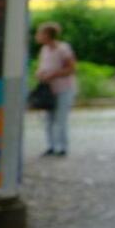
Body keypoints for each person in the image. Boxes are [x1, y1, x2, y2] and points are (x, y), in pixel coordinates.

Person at [36, 21, 77, 156]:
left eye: (40, 33)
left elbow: (71, 68)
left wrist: (54, 74)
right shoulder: (44, 50)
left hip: (63, 87)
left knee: (61, 118)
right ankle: (51, 145)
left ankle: (62, 146)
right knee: (49, 118)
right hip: (49, 89)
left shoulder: (63, 49)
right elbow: (43, 66)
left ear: (48, 35)